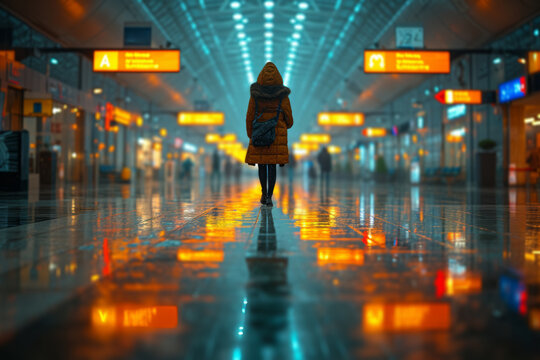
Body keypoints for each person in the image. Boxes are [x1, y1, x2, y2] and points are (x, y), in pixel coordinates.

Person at [245, 62, 293, 207]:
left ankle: (264, 193)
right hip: (276, 137)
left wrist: (251, 134)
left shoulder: (255, 96)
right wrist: (283, 124)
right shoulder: (283, 97)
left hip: (259, 135)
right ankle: (270, 197)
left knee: (262, 165)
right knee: (272, 166)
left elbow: (249, 116)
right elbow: (289, 121)